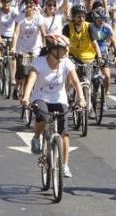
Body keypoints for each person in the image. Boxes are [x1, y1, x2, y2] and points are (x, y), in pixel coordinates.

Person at [20, 34, 87, 178]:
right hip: (41, 97)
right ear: (53, 50)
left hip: (59, 98)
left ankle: (64, 166)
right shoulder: (40, 62)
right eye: (63, 49)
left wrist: (81, 98)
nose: (66, 52)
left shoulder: (66, 62)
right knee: (42, 116)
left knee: (64, 133)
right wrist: (26, 97)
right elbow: (31, 80)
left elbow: (76, 81)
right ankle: (37, 137)